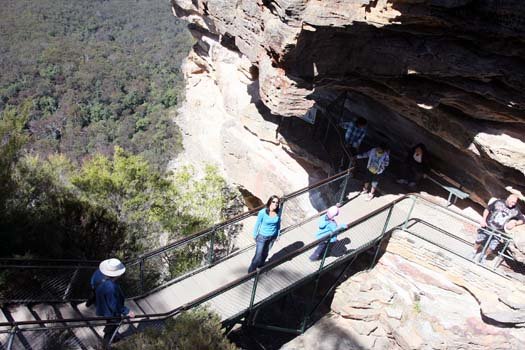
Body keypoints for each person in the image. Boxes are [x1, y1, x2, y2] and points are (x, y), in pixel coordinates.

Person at [90, 258, 135, 346]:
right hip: (109, 310)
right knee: (113, 324)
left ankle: (114, 337)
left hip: (102, 304)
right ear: (117, 274)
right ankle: (106, 343)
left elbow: (92, 283)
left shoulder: (98, 274)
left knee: (110, 322)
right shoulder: (111, 287)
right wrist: (127, 311)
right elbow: (114, 305)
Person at [471, 194, 525, 263]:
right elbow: (487, 209)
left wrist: (515, 223)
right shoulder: (498, 202)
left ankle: (483, 257)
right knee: (479, 239)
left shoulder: (515, 210)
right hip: (488, 225)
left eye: (515, 203)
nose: (513, 204)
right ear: (508, 199)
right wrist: (483, 220)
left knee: (492, 246)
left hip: (499, 231)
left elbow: (522, 219)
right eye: (512, 202)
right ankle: (473, 252)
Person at [248, 195, 282, 273]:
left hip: (272, 236)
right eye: (273, 202)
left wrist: (278, 234)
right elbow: (257, 224)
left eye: (277, 202)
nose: (275, 204)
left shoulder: (278, 212)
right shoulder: (262, 212)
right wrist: (254, 235)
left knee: (265, 253)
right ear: (270, 202)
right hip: (262, 237)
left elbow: (278, 224)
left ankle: (260, 267)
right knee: (258, 256)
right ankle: (250, 272)